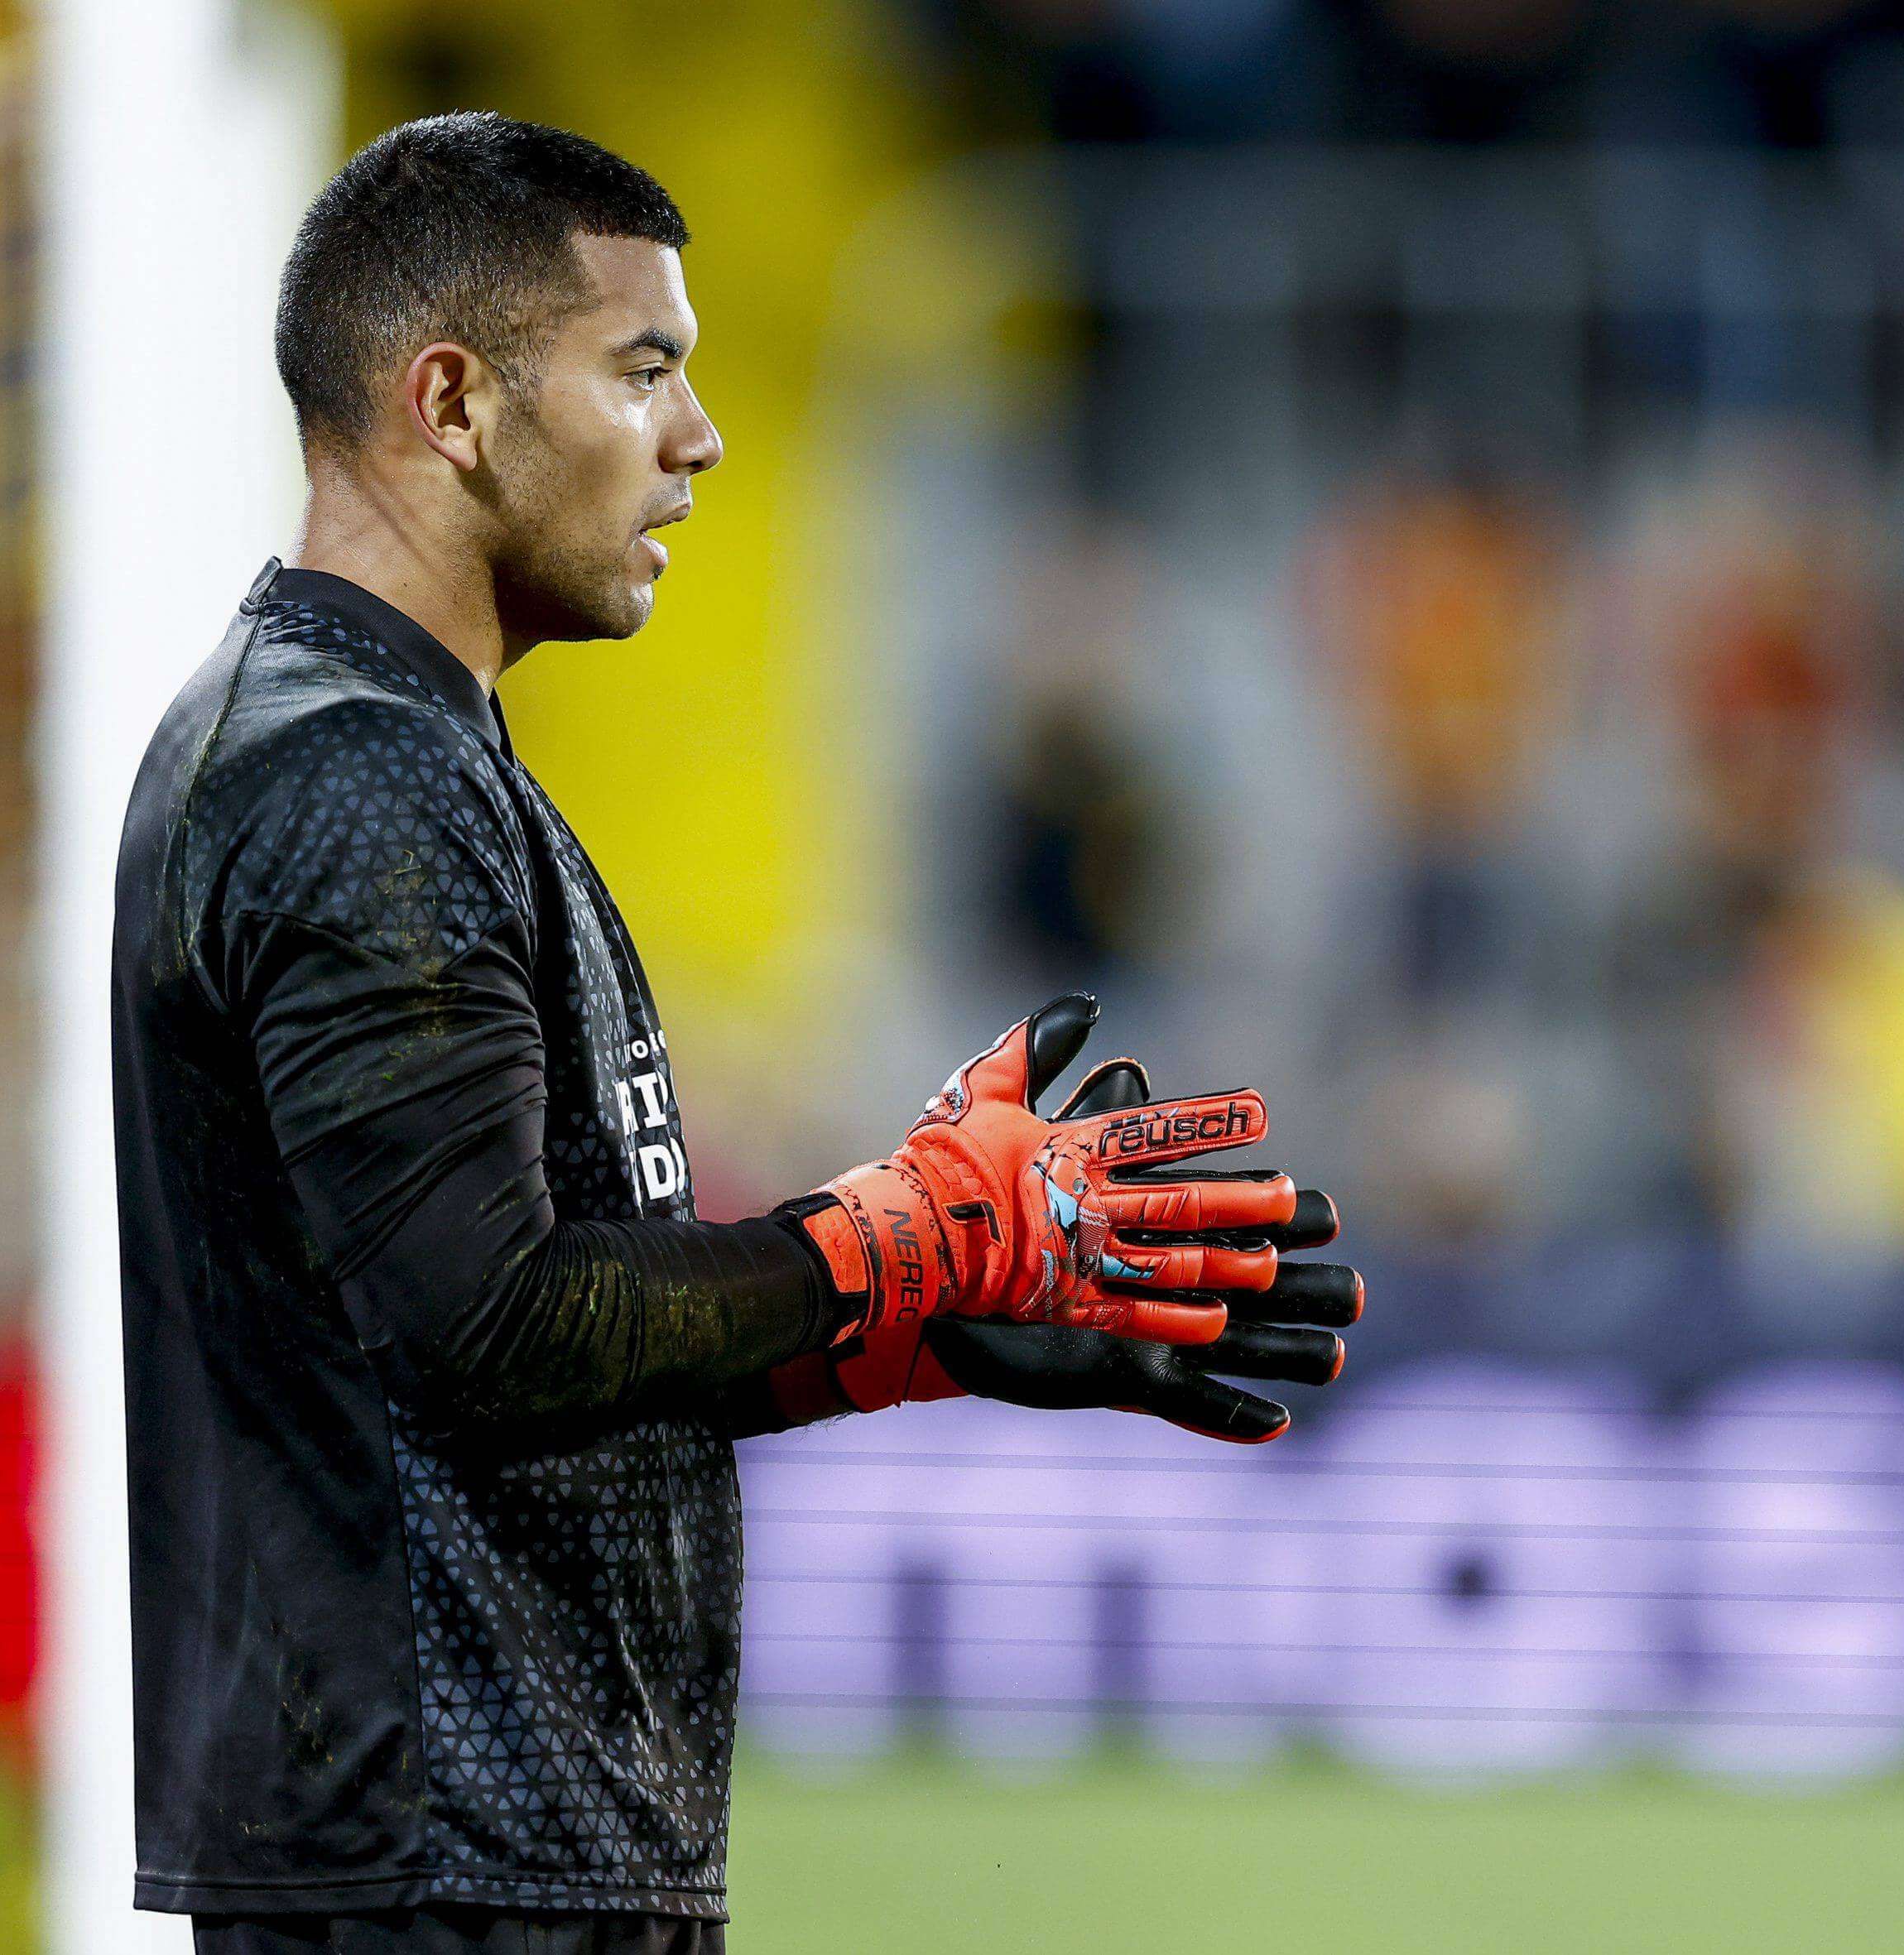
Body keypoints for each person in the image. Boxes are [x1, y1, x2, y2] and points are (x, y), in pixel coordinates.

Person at [108, 113, 1361, 1955]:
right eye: (642, 370)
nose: (697, 438)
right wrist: (889, 1237)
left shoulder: (394, 751)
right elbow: (483, 1326)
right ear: (452, 403)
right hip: (438, 1876)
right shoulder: (352, 779)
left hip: (487, 1861)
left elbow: (515, 1345)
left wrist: (896, 1319)